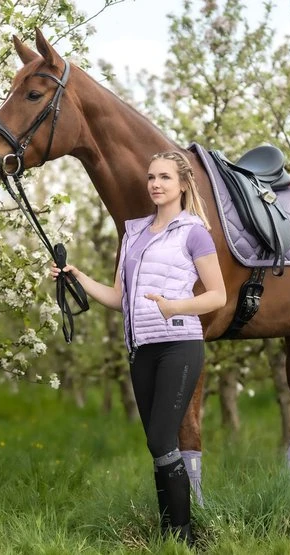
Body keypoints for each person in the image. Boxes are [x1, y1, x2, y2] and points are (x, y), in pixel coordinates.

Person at [50, 151, 226, 545]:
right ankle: (170, 535)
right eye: (151, 177)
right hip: (142, 348)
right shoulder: (133, 233)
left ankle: (185, 537)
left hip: (179, 344)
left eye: (164, 177)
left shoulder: (194, 232)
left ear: (183, 184)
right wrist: (77, 277)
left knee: (163, 438)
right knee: (157, 446)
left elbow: (218, 295)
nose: (155, 184)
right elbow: (119, 298)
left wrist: (174, 306)